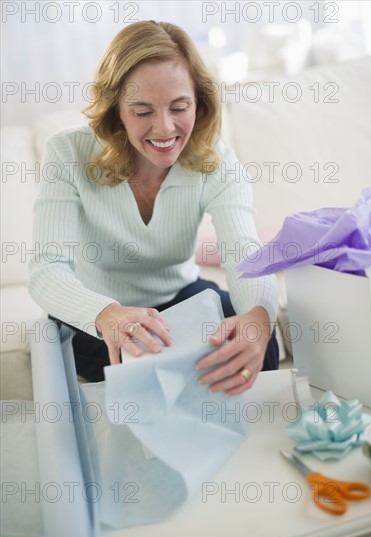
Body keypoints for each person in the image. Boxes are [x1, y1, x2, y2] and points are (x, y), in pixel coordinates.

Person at [29, 20, 279, 397]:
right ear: (116, 109)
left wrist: (258, 320)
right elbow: (47, 270)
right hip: (100, 312)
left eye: (179, 107)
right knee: (147, 379)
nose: (164, 129)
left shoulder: (216, 160)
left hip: (181, 297)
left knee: (261, 344)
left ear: (199, 101)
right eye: (142, 111)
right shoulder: (67, 152)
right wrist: (108, 315)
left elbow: (244, 251)